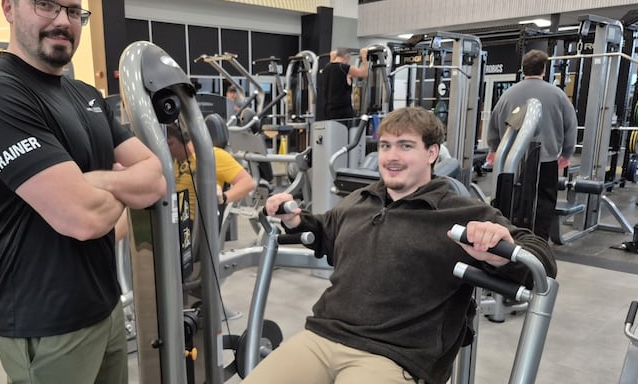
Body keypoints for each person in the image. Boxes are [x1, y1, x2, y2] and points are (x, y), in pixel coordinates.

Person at [0, 0, 166, 384]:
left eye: (73, 10)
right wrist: (116, 187)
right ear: (10, 8)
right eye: (45, 4)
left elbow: (156, 177)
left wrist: (96, 181)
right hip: (45, 318)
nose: (62, 20)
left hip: (105, 304)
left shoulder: (85, 95)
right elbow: (84, 218)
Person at [243, 107, 557, 384]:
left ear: (432, 153)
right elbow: (325, 231)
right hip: (322, 337)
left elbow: (540, 262)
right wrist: (295, 220)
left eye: (405, 146)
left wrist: (500, 253)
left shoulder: (462, 213)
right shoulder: (361, 199)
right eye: (385, 146)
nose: (392, 157)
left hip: (394, 356)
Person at [486, 49, 578, 240]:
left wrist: (494, 149)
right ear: (544, 69)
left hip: (513, 161)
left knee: (511, 201)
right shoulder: (558, 95)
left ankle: (510, 239)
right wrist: (566, 155)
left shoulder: (507, 95)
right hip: (546, 160)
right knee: (544, 203)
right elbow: (571, 127)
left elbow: (493, 124)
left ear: (523, 69)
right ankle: (539, 243)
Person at [166, 123, 256, 222]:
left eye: (170, 144)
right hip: (178, 221)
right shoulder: (176, 162)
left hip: (200, 225)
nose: (168, 149)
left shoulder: (211, 156)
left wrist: (224, 198)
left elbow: (248, 183)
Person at [316, 47, 370, 122]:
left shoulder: (327, 68)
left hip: (329, 112)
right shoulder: (344, 68)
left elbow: (334, 68)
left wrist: (332, 57)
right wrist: (364, 57)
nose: (348, 62)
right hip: (343, 114)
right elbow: (364, 73)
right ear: (346, 57)